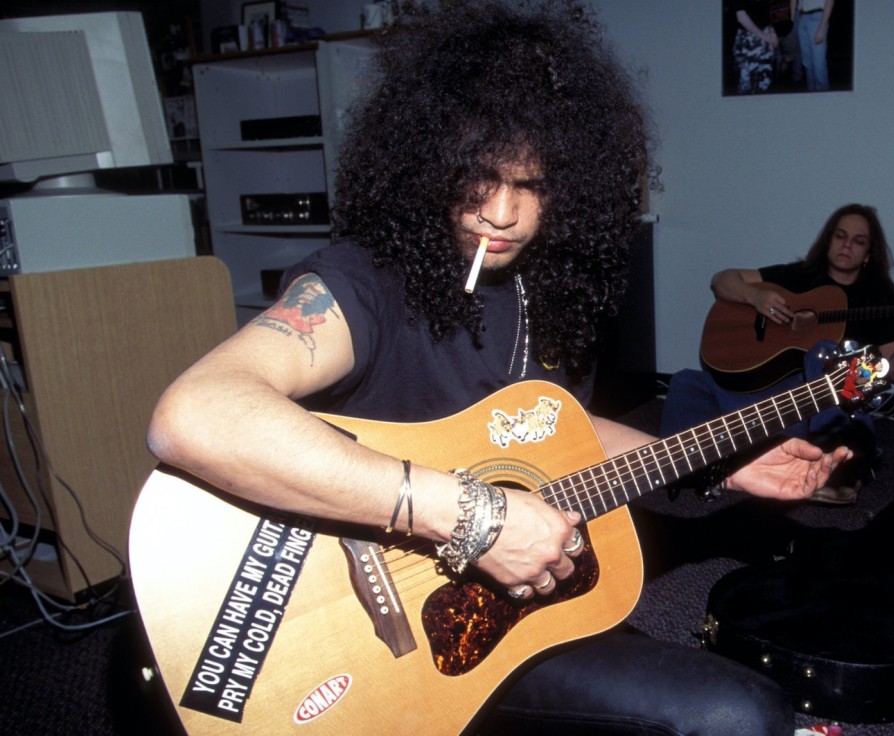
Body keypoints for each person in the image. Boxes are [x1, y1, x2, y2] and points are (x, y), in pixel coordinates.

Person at [146, 2, 849, 734]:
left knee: (747, 710)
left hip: (495, 624)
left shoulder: (542, 292)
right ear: (429, 158)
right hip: (361, 638)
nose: (504, 213)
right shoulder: (363, 283)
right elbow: (194, 413)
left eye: (534, 185)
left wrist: (725, 464)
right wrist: (475, 517)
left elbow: (558, 436)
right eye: (480, 176)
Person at [660, 203, 894, 503]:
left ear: (868, 254)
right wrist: (755, 296)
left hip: (831, 404)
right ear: (828, 241)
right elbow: (722, 280)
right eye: (840, 236)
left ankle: (835, 469)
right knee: (685, 383)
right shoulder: (798, 277)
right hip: (770, 395)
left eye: (858, 241)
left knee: (823, 353)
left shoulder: (878, 296)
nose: (847, 245)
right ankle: (695, 470)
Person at [792, 0, 836, 91]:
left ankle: (823, 99)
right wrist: (792, 20)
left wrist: (822, 27)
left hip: (817, 17)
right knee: (807, 63)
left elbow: (830, 1)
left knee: (818, 64)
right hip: (801, 17)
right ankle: (811, 96)